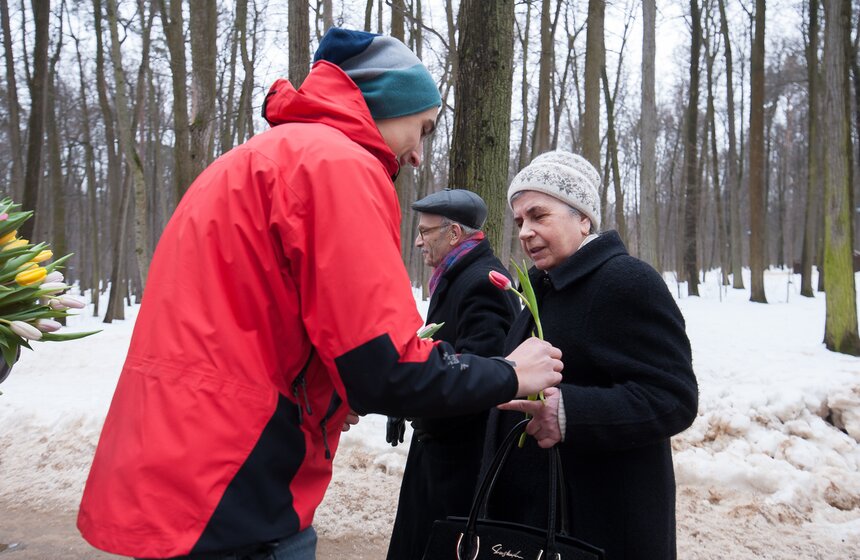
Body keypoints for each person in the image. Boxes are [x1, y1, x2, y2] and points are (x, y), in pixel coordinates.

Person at [76, 28, 563, 560]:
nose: (419, 155)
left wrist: (334, 394)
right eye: (421, 128)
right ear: (387, 104)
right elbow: (387, 369)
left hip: (176, 457)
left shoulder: (254, 159)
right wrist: (510, 372)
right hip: (235, 478)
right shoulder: (338, 167)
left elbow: (257, 329)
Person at [484, 150, 699, 560]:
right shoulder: (540, 288)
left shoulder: (626, 281)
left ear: (583, 218)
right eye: (520, 221)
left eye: (538, 215)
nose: (526, 232)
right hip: (535, 521)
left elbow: (674, 398)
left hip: (600, 527)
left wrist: (569, 413)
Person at [386, 189, 519, 560]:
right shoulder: (457, 275)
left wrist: (415, 396)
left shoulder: (482, 282)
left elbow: (485, 373)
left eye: (425, 232)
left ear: (455, 233)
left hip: (459, 464)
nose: (418, 241)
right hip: (441, 452)